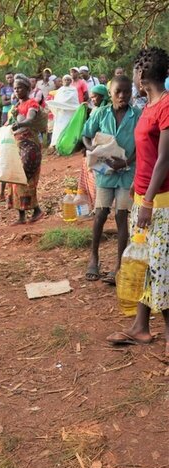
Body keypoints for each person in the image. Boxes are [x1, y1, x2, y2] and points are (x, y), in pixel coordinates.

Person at [107, 47, 169, 357]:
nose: (133, 77)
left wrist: (146, 202)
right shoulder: (148, 105)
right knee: (145, 262)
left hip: (160, 201)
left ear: (142, 76)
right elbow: (145, 156)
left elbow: (164, 161)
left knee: (161, 265)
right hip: (143, 195)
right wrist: (136, 189)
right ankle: (140, 328)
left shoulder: (167, 106)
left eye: (134, 72)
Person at [82, 75, 140, 283]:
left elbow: (142, 145)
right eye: (118, 92)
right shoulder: (101, 113)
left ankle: (118, 266)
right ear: (110, 94)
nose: (123, 95)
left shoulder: (138, 115)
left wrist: (125, 162)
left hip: (127, 172)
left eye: (127, 91)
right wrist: (95, 151)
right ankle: (93, 257)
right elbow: (86, 135)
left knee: (121, 216)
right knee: (100, 213)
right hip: (105, 172)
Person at [7, 73, 44, 224]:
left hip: (30, 146)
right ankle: (21, 215)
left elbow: (30, 119)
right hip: (18, 145)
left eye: (20, 88)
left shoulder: (32, 103)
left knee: (25, 177)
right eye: (15, 88)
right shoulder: (16, 107)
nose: (17, 90)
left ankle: (36, 210)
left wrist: (20, 124)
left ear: (27, 88)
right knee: (15, 177)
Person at [48, 74, 80, 148]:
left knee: (69, 127)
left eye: (68, 80)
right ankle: (57, 144)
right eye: (65, 80)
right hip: (61, 113)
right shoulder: (60, 90)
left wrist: (65, 104)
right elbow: (57, 101)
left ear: (71, 81)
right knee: (60, 128)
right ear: (62, 81)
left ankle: (69, 144)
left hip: (70, 113)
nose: (67, 81)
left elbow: (74, 101)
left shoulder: (74, 89)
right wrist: (58, 105)